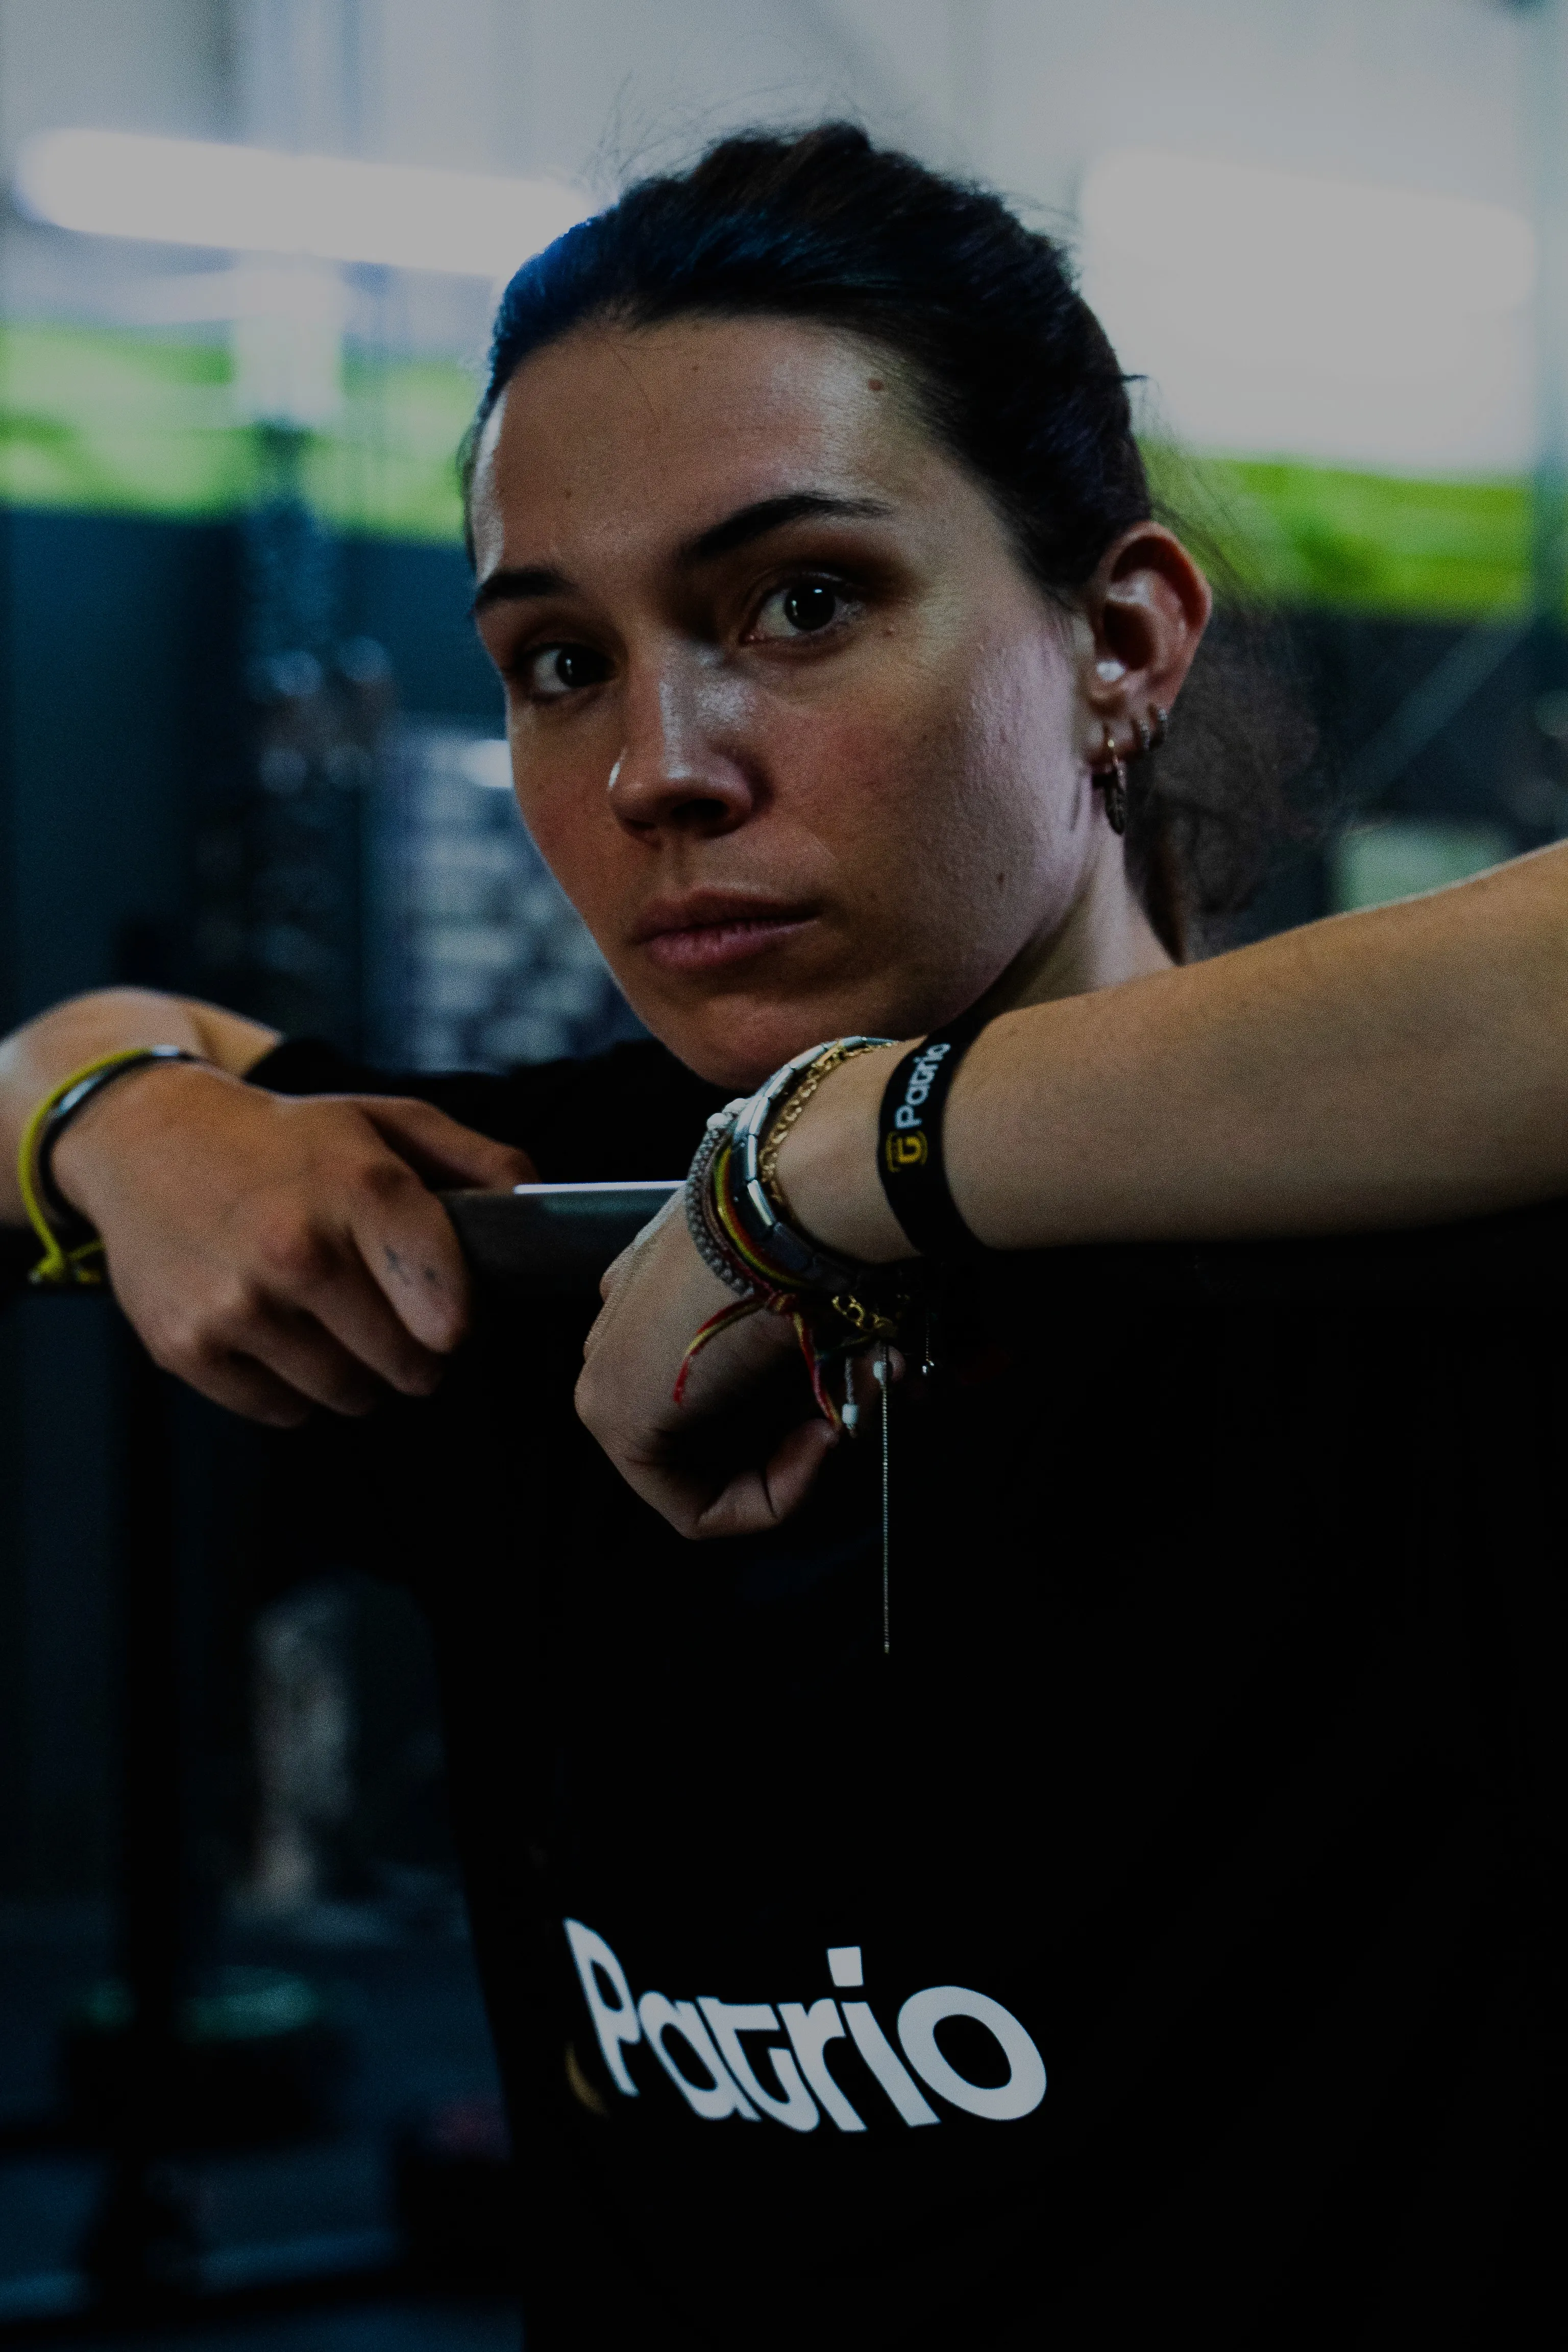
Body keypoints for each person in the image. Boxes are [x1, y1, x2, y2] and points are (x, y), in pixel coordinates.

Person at [2, 126, 1564, 2346]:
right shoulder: (517, 1236)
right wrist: (106, 1112)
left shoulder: (1414, 1263)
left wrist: (839, 1162)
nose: (658, 765)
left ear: (1122, 640)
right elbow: (79, 1069)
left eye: (801, 603)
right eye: (555, 660)